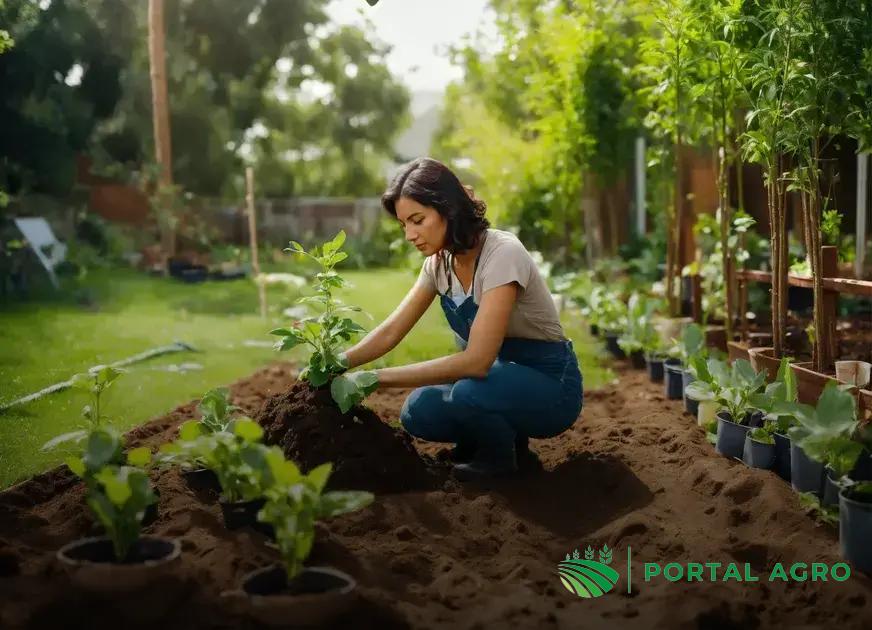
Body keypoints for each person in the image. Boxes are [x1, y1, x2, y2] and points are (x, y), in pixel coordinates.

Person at [340, 157, 583, 480]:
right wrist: (339, 363)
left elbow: (477, 361)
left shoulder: (502, 254)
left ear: (448, 209)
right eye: (403, 225)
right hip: (498, 380)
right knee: (418, 410)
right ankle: (495, 439)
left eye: (417, 220)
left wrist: (375, 379)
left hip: (552, 386)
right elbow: (392, 331)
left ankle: (501, 461)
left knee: (469, 392)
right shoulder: (438, 264)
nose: (410, 235)